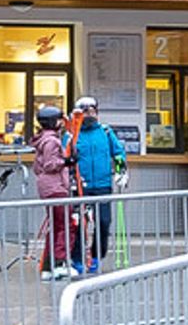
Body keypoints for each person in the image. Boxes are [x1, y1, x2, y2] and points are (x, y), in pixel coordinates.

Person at [65, 95, 127, 275]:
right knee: (77, 225)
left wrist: (121, 169)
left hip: (102, 184)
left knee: (103, 222)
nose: (89, 114)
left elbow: (118, 152)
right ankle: (76, 259)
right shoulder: (71, 135)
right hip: (80, 186)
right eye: (85, 111)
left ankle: (96, 256)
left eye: (92, 110)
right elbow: (64, 157)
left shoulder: (106, 132)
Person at [31, 105, 76, 280]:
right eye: (59, 120)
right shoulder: (51, 141)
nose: (61, 123)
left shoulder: (43, 139)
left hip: (49, 187)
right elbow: (50, 164)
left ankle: (48, 266)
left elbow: (38, 166)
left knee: (56, 225)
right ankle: (59, 263)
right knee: (66, 224)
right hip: (55, 187)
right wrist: (67, 161)